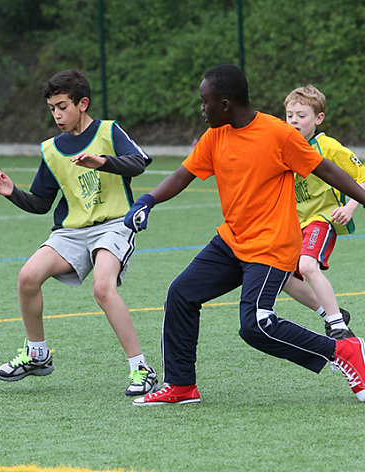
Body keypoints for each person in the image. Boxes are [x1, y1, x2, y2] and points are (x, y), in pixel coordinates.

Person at [124, 64, 365, 406]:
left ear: (225, 104)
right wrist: (147, 200)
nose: (201, 109)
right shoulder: (215, 136)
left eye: (205, 102)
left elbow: (326, 169)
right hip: (232, 240)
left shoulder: (278, 134)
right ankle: (180, 385)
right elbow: (182, 175)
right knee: (181, 294)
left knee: (255, 325)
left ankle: (343, 350)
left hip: (271, 245)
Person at [0, 69, 159, 396]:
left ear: (82, 103)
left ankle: (141, 368)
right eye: (51, 108)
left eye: (62, 106)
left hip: (113, 225)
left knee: (102, 288)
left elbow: (139, 162)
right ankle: (37, 353)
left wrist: (103, 162)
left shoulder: (109, 131)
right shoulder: (52, 150)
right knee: (28, 276)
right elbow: (42, 203)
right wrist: (13, 192)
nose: (56, 114)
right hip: (71, 232)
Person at [282, 85, 365, 340]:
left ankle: (338, 325)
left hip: (322, 219)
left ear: (318, 119)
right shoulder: (283, 146)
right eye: (289, 115)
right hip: (294, 224)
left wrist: (350, 206)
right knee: (281, 276)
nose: (294, 120)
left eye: (301, 115)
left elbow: (362, 176)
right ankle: (331, 312)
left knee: (307, 265)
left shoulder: (327, 146)